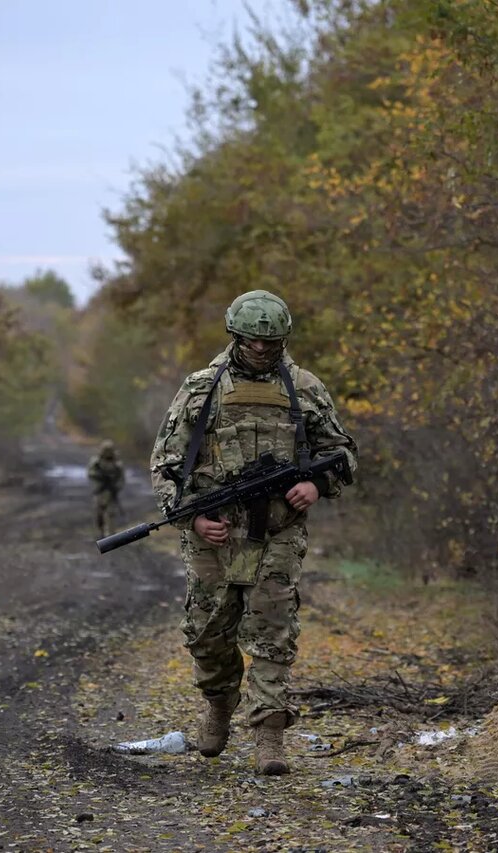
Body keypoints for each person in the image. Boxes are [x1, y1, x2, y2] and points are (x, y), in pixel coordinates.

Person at [150, 290, 357, 775]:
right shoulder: (201, 389)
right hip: (214, 534)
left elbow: (343, 455)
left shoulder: (305, 389)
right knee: (206, 633)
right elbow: (165, 464)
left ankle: (269, 735)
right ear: (234, 336)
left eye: (271, 343)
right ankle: (219, 704)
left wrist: (315, 483)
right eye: (252, 342)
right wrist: (192, 517)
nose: (262, 351)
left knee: (272, 631)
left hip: (279, 531)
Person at [88, 440, 125, 538]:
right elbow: (90, 473)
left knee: (110, 514)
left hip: (110, 493)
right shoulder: (96, 461)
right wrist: (100, 476)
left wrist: (116, 487)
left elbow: (121, 479)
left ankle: (111, 535)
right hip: (100, 491)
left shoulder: (117, 463)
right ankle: (100, 533)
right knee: (98, 514)